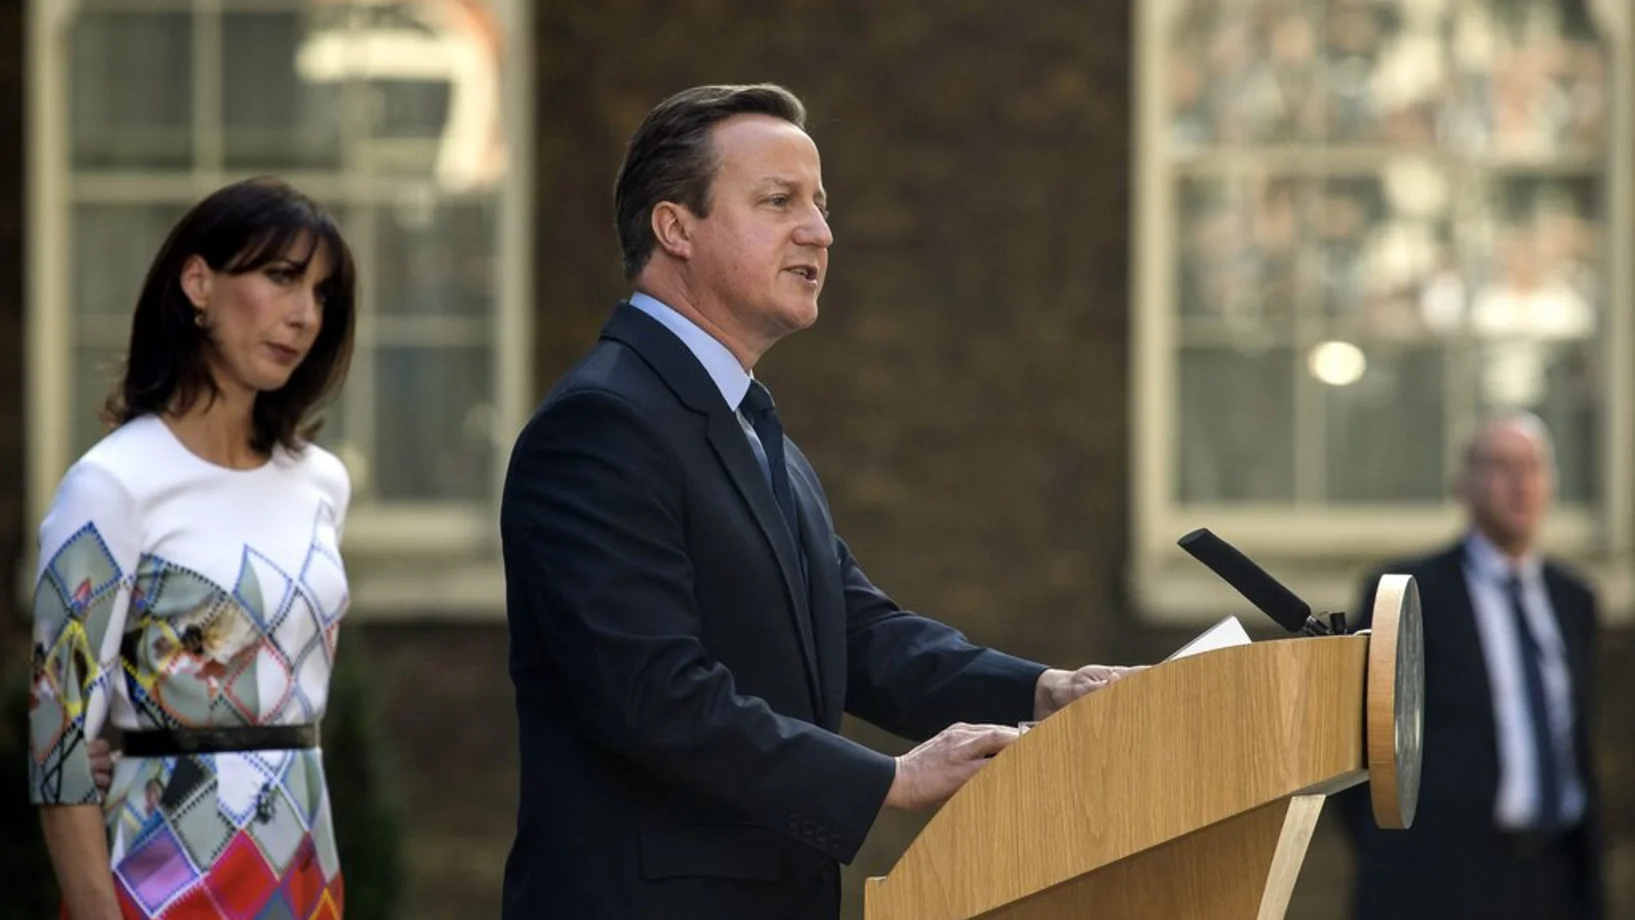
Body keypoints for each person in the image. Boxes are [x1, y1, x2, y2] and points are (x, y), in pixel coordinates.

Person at [499, 83, 1137, 919]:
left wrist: (1043, 693)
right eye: (779, 202)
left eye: (820, 206)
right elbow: (651, 694)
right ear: (675, 228)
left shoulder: (749, 425)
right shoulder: (601, 424)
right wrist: (888, 780)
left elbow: (858, 633)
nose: (819, 232)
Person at [28, 177, 357, 920]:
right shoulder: (110, 486)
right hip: (158, 875)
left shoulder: (322, 485)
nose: (305, 315)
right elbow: (58, 749)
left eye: (321, 293)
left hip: (303, 870)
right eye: (281, 277)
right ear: (198, 283)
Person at [1339, 411, 1604, 920]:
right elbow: (1357, 746)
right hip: (1441, 881)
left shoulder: (1574, 599)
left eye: (1532, 467)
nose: (1520, 483)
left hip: (1554, 878)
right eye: (1500, 466)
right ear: (1464, 485)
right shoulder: (1408, 595)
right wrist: (1391, 851)